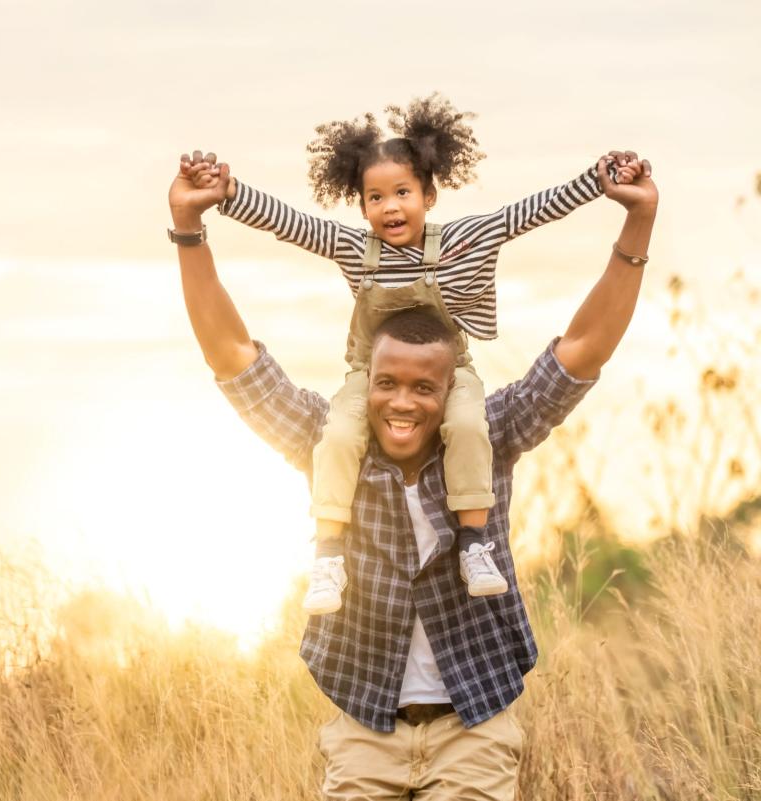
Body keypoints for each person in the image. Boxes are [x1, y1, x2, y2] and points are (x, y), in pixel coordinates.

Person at [167, 149, 656, 799]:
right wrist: (190, 231)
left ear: (451, 388)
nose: (403, 401)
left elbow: (583, 350)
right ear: (366, 380)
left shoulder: (490, 433)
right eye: (388, 383)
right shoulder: (328, 441)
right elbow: (231, 357)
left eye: (424, 387)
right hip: (366, 732)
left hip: (473, 728)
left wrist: (638, 223)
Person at [181, 95, 622, 615]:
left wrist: (597, 181)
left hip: (451, 374)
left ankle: (474, 544)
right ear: (361, 204)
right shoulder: (353, 249)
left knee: (469, 428)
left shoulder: (463, 240)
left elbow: (524, 215)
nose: (389, 207)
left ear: (429, 195)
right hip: (370, 375)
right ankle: (327, 553)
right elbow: (290, 223)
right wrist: (225, 193)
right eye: (375, 197)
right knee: (338, 436)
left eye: (403, 192)